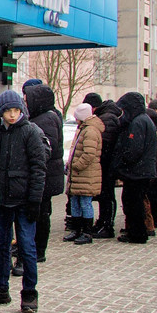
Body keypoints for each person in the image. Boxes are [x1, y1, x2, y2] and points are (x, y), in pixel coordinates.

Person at [0, 91, 46, 313]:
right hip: (2, 198)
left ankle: (29, 293)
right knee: (1, 244)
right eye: (8, 111)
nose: (12, 115)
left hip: (24, 200)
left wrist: (35, 199)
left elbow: (38, 168)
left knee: (26, 246)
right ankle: (1, 288)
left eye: (16, 110)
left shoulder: (30, 132)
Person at [24, 83, 65, 260]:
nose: (25, 103)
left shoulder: (46, 120)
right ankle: (35, 248)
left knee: (41, 214)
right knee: (41, 212)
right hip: (46, 175)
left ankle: (38, 250)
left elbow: (45, 149)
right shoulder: (43, 117)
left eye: (27, 100)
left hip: (45, 176)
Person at [112, 92, 156, 245]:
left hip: (137, 172)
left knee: (133, 203)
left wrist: (123, 162)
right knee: (134, 202)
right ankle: (136, 232)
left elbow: (134, 149)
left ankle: (137, 234)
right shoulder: (144, 119)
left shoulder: (138, 122)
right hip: (142, 170)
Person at [63, 103, 103, 245]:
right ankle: (77, 229)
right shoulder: (83, 129)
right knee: (75, 202)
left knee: (85, 203)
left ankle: (86, 232)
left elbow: (89, 154)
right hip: (79, 175)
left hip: (86, 174)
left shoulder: (90, 131)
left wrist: (75, 166)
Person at [91, 94, 122, 238]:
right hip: (107, 163)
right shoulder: (107, 116)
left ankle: (107, 225)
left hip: (107, 164)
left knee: (107, 195)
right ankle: (103, 222)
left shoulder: (107, 118)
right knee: (105, 195)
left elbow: (106, 144)